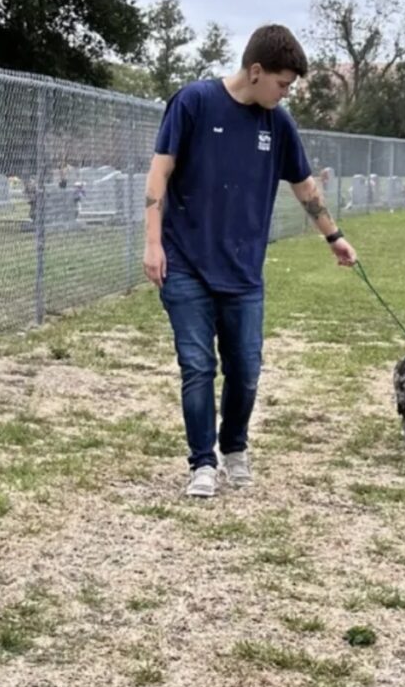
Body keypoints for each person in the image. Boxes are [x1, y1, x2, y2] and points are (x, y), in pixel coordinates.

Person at [142, 24, 357, 498]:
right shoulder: (194, 103)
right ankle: (202, 462)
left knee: (245, 370)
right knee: (197, 366)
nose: (285, 94)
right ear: (256, 71)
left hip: (243, 272)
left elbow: (304, 185)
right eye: (282, 84)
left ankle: (234, 447)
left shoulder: (277, 124)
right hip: (185, 263)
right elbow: (160, 172)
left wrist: (334, 237)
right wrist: (153, 244)